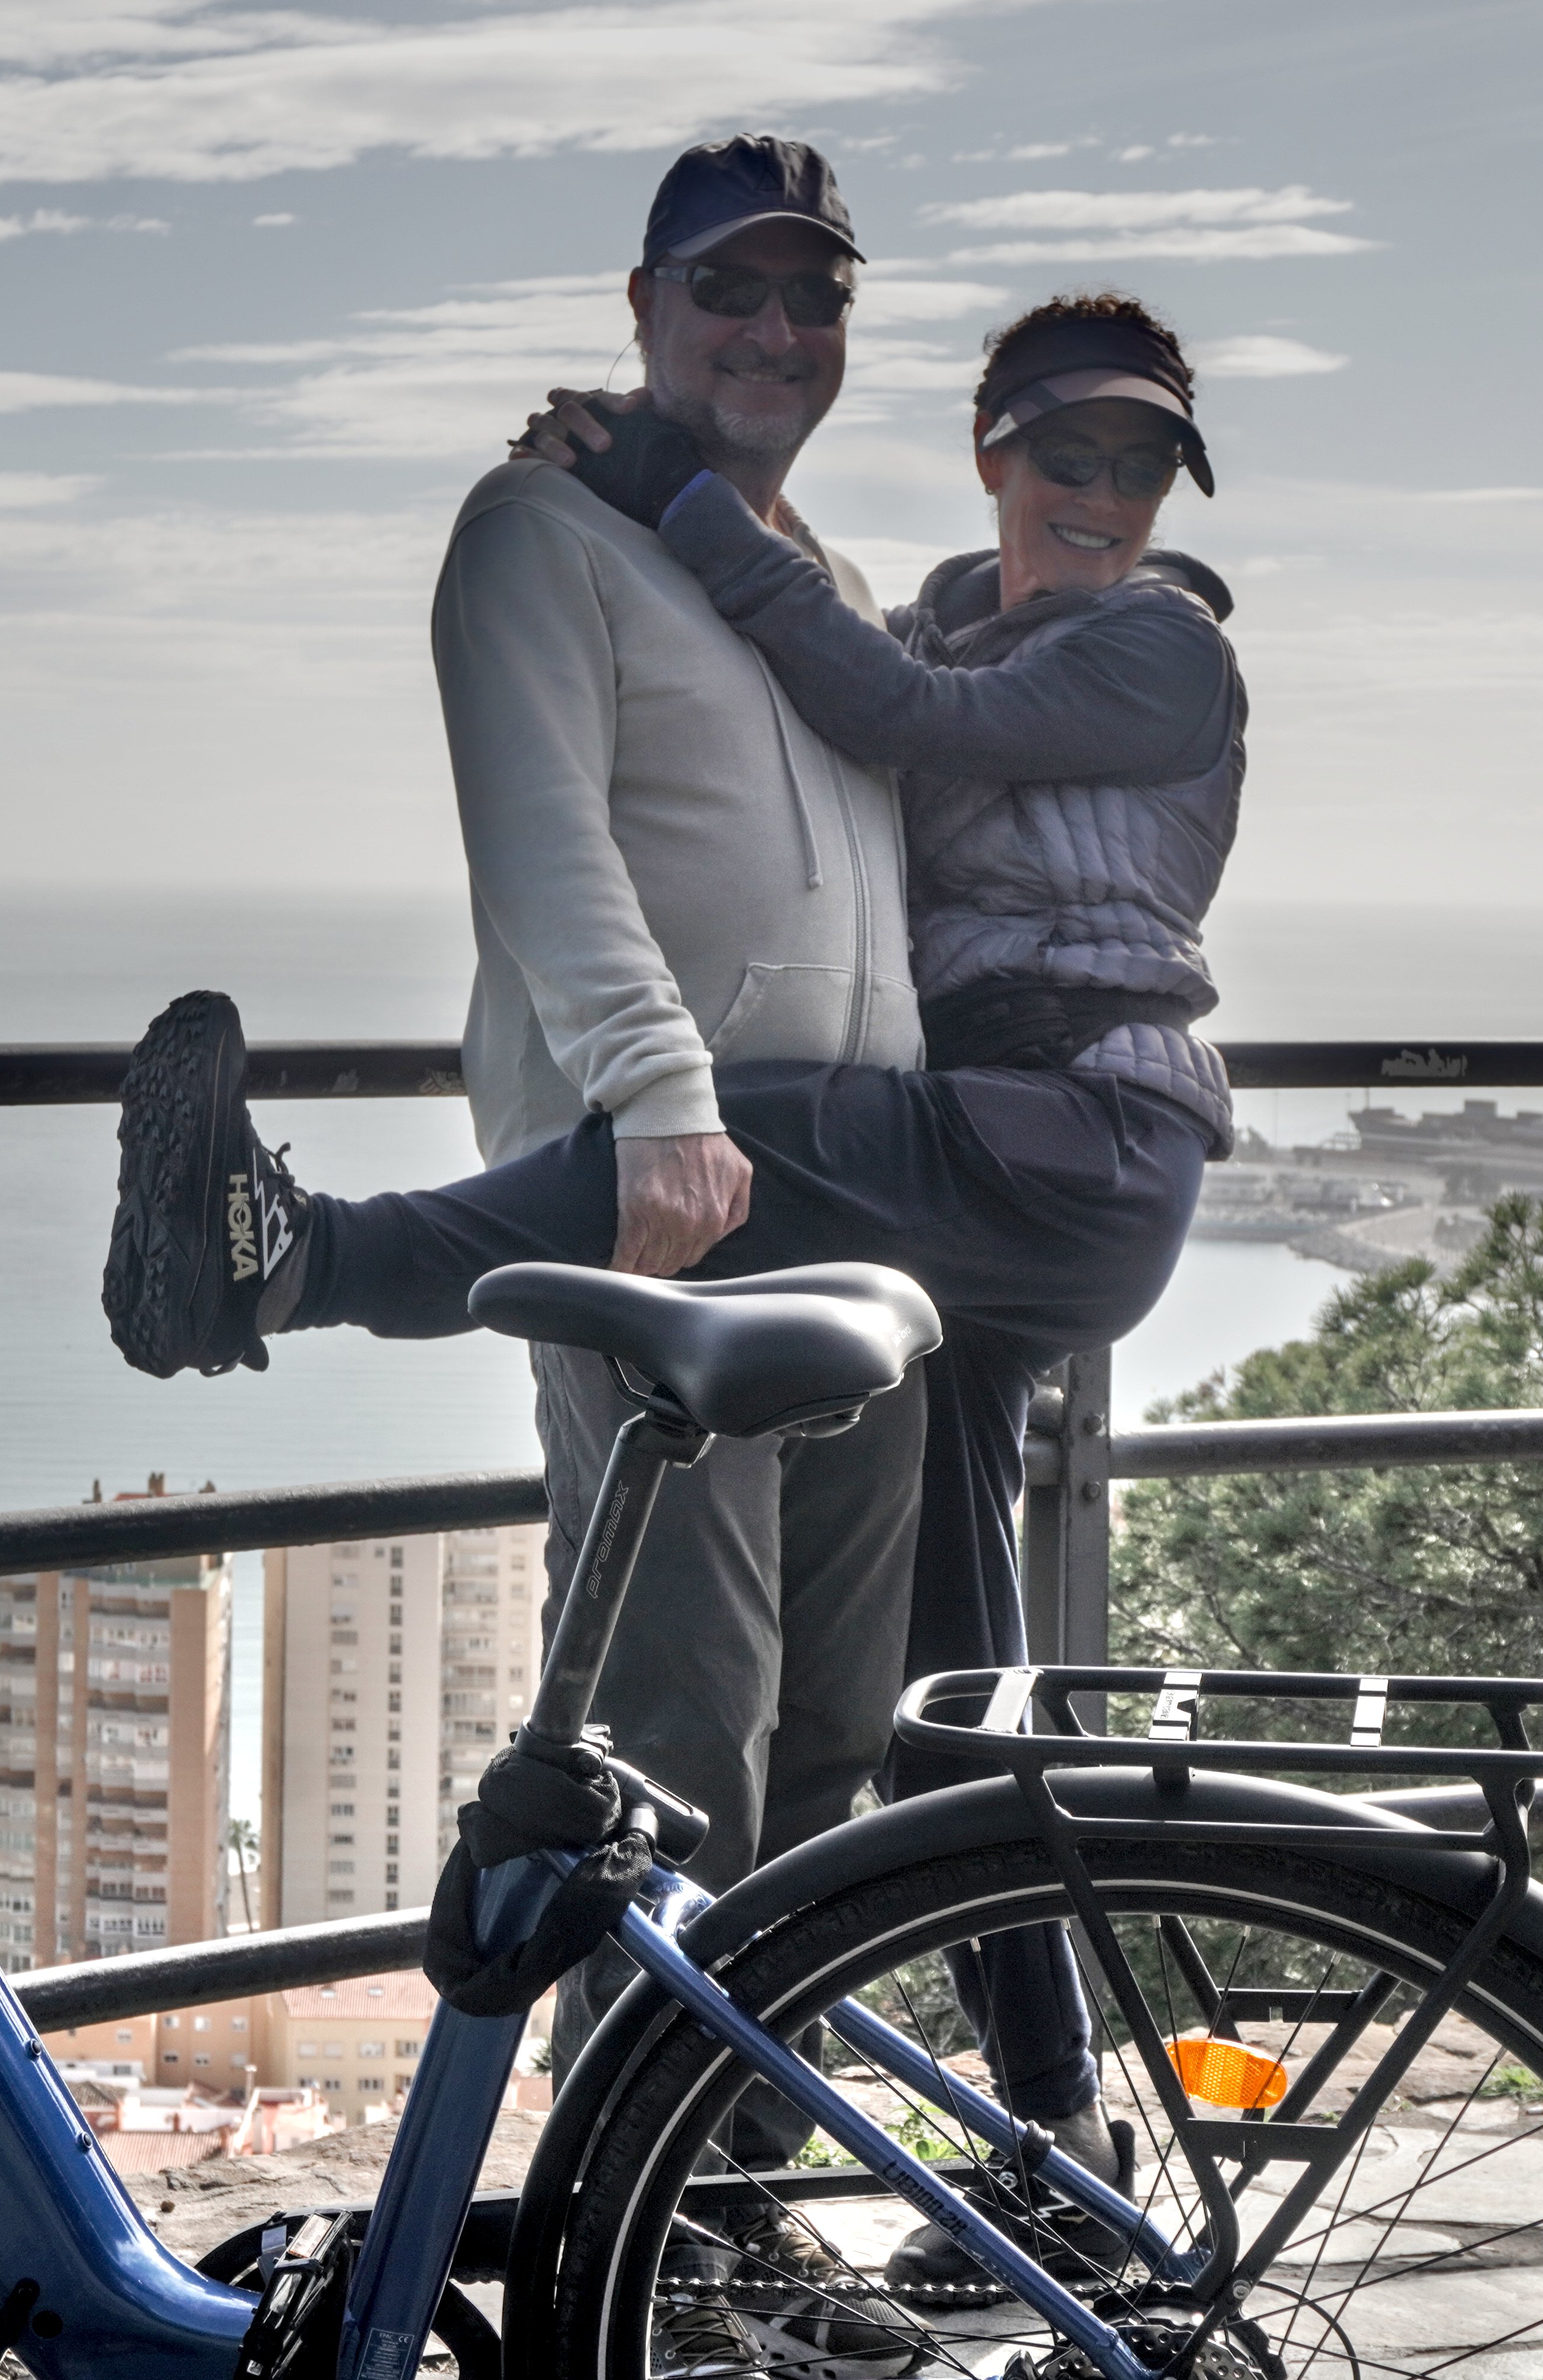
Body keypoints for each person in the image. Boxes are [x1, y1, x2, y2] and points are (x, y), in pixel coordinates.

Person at [112, 282, 1247, 2310]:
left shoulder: (1160, 646)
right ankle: (1049, 2136)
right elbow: (818, 712)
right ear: (992, 449)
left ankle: (304, 1258)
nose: (1100, 493)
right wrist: (673, 502)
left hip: (1064, 1150)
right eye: (1064, 453)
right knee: (938, 1701)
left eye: (1139, 464)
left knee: (751, 1150)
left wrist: (661, 472)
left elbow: (900, 731)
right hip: (976, 1190)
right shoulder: (915, 608)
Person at [106, 133, 931, 2363]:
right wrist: (657, 1092)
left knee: (843, 1726)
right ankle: (661, 2240)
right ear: (647, 305)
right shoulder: (539, 535)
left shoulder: (790, 564)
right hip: (671, 1177)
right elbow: (551, 851)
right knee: (686, 1716)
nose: (776, 336)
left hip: (863, 1189)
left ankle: (728, 2199)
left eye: (812, 302)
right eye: (733, 296)